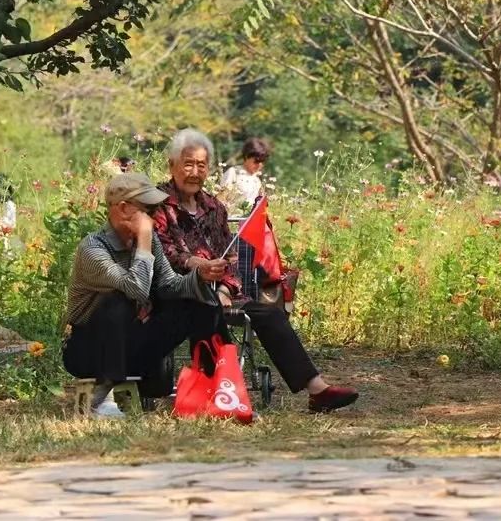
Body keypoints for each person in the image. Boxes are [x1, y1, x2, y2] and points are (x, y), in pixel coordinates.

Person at [152, 129, 359, 413]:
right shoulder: (157, 204)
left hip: (218, 291)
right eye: (188, 164)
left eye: (202, 165)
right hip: (177, 293)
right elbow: (163, 252)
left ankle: (317, 390)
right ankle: (223, 397)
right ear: (172, 165)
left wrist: (225, 288)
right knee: (206, 309)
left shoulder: (214, 208)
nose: (195, 172)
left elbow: (233, 257)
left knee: (269, 312)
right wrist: (197, 266)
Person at [63, 171, 230, 418]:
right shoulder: (93, 249)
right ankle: (100, 399)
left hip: (128, 343)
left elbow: (169, 285)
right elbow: (136, 290)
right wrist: (143, 240)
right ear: (122, 208)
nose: (155, 216)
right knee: (116, 301)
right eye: (148, 210)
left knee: (200, 301)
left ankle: (218, 390)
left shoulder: (149, 243)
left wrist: (199, 277)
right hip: (87, 351)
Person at [218, 137, 270, 212]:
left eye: (262, 161)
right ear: (246, 157)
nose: (259, 165)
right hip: (233, 219)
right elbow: (221, 199)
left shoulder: (256, 179)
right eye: (256, 161)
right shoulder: (233, 173)